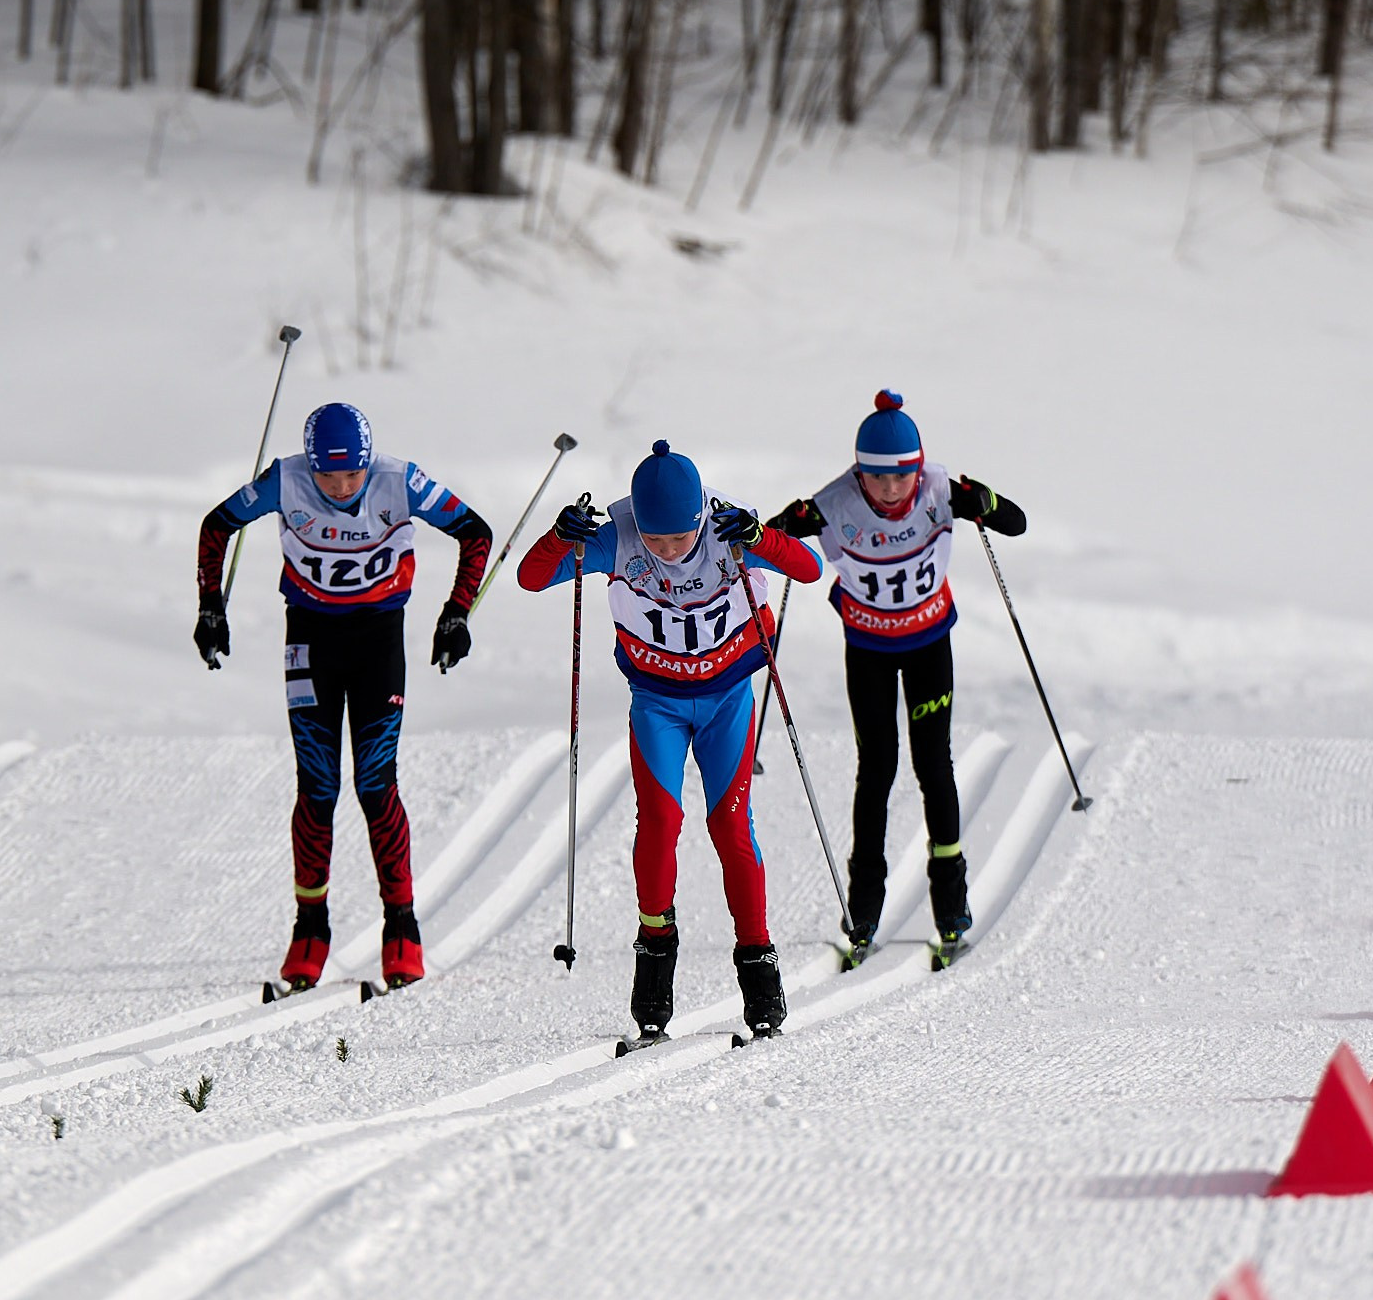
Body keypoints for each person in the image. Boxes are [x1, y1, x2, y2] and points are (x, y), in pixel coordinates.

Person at [516, 441, 824, 1042]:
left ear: (699, 519)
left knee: (731, 828)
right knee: (658, 819)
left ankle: (759, 969)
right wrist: (559, 536)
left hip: (726, 699)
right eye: (656, 541)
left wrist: (759, 538)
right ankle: (654, 965)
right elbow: (531, 579)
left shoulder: (727, 527)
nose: (668, 553)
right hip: (656, 701)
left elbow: (808, 569)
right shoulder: (619, 536)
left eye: (680, 540)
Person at [194, 404, 492, 993]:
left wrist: (456, 612)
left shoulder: (398, 479)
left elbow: (474, 532)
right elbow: (216, 526)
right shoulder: (285, 478)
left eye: (351, 476)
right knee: (318, 785)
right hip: (310, 636)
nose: (340, 489)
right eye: (329, 478)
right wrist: (210, 605)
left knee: (376, 784)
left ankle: (401, 928)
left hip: (379, 638)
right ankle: (310, 928)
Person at [765, 390, 1026, 966]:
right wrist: (775, 530)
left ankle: (951, 906)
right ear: (859, 472)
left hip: (930, 642)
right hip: (869, 651)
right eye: (876, 478)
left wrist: (985, 500)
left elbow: (1017, 524)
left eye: (900, 476)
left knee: (934, 764)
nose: (889, 490)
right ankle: (863, 908)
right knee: (877, 768)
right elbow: (773, 541)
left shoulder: (939, 489)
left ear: (917, 467)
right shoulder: (832, 504)